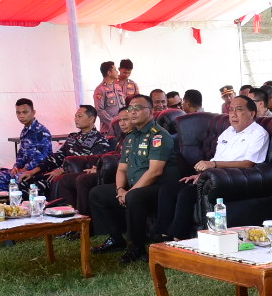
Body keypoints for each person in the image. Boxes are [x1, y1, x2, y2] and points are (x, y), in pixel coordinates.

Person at [164, 95, 271, 238]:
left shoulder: (258, 134)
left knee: (187, 194)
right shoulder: (228, 132)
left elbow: (248, 163)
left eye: (239, 110)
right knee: (169, 189)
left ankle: (178, 236)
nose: (233, 114)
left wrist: (212, 165)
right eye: (231, 109)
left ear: (252, 113)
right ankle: (162, 233)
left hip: (233, 180)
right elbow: (219, 157)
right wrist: (201, 175)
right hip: (213, 176)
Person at [90, 96, 177, 264]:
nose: (133, 112)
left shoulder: (159, 135)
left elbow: (155, 172)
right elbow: (122, 168)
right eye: (130, 108)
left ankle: (136, 246)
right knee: (97, 194)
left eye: (138, 108)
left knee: (134, 197)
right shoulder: (130, 138)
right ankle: (116, 238)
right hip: (135, 186)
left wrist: (129, 192)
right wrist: (120, 190)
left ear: (150, 112)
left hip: (160, 188)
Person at [29, 105, 111, 189]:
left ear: (91, 119)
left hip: (72, 176)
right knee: (27, 181)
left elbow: (91, 163)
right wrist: (34, 170)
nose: (76, 119)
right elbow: (58, 156)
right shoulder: (73, 137)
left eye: (79, 116)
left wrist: (63, 170)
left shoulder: (100, 140)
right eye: (75, 116)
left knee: (36, 187)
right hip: (56, 172)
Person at [0, 98, 54, 191]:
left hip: (39, 170)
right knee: (0, 176)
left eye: (25, 112)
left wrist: (24, 169)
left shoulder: (41, 132)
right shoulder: (25, 131)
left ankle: (18, 203)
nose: (21, 116)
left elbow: (42, 158)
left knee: (18, 178)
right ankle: (5, 203)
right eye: (18, 113)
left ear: (33, 112)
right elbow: (21, 153)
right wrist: (16, 167)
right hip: (24, 170)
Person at [93, 61, 130, 136]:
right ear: (109, 73)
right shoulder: (100, 89)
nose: (117, 72)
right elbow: (99, 110)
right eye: (115, 70)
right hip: (109, 130)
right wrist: (114, 122)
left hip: (122, 128)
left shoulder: (117, 86)